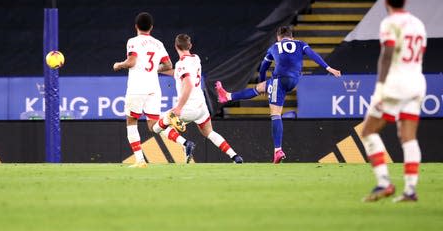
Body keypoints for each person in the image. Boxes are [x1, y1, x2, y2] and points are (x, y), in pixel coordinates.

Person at [216, 25, 341, 163]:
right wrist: (328, 68)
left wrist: (263, 80)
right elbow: (313, 55)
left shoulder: (274, 47)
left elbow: (263, 68)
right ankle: (227, 96)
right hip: (293, 80)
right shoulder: (300, 44)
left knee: (275, 114)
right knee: (261, 87)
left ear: (278, 37)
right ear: (291, 36)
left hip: (279, 80)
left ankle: (278, 150)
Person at [361, 0, 426, 203]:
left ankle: (384, 182)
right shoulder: (418, 24)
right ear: (405, 1)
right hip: (417, 82)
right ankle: (410, 190)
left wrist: (380, 88)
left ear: (386, 2)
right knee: (408, 137)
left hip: (395, 84)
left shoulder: (389, 23)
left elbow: (387, 56)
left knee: (369, 131)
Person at [153, 34, 243, 164]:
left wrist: (178, 107)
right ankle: (235, 157)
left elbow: (188, 83)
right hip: (201, 107)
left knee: (157, 127)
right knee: (209, 132)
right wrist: (158, 71)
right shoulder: (196, 58)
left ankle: (185, 144)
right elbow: (178, 73)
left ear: (175, 46)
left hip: (188, 108)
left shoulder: (181, 63)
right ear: (190, 46)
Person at [113, 12, 181, 168]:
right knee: (153, 125)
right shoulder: (158, 43)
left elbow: (131, 62)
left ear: (136, 26)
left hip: (137, 87)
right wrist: (152, 69)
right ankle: (166, 119)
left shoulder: (133, 41)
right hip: (154, 87)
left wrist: (119, 65)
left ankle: (140, 160)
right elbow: (169, 65)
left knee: (131, 121)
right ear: (151, 27)